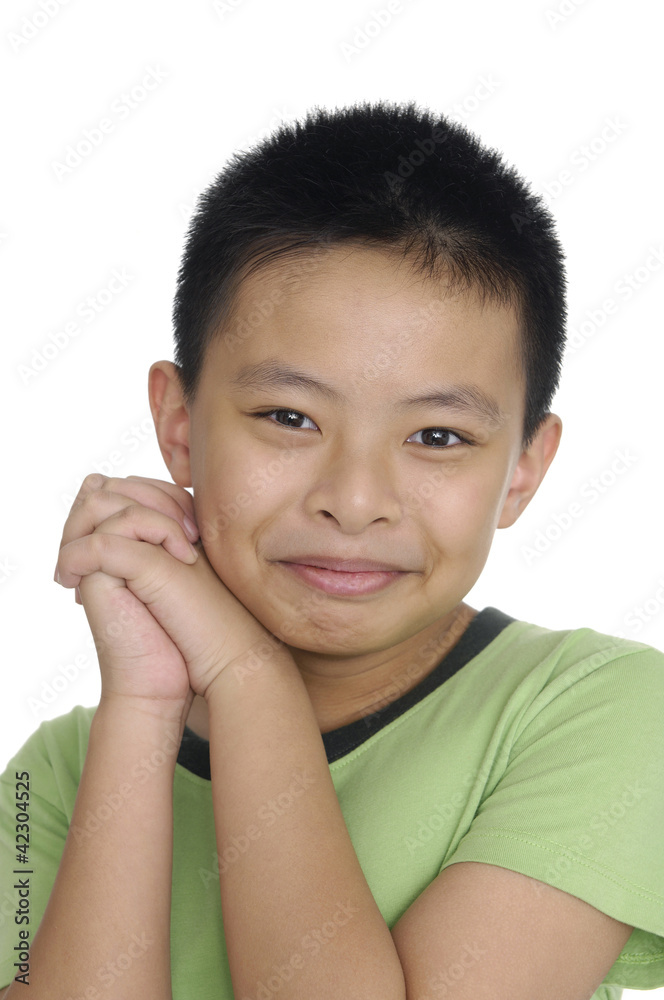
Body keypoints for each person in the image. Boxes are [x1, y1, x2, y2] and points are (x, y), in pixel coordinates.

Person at [1, 100, 662, 1000]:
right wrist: (145, 708)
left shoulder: (609, 713)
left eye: (437, 437)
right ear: (179, 426)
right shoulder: (60, 774)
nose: (354, 502)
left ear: (523, 471)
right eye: (289, 417)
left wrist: (249, 677)